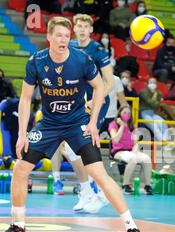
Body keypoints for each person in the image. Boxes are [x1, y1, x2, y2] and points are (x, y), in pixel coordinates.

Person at [0, 17, 143, 232]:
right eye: (59, 35)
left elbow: (99, 87)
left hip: (77, 123)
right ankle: (18, 227)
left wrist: (94, 123)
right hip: (49, 124)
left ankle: (132, 228)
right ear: (49, 37)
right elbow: (25, 98)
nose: (63, 40)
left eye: (67, 35)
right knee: (20, 168)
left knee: (99, 173)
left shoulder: (82, 59)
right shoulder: (36, 61)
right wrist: (22, 134)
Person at [50, 14, 115, 214]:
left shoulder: (97, 50)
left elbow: (109, 80)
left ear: (90, 30)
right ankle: (87, 191)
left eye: (86, 26)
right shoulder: (68, 47)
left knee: (82, 147)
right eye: (79, 26)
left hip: (95, 103)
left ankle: (101, 191)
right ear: (74, 29)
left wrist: (95, 99)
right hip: (74, 104)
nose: (82, 29)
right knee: (68, 149)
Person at [109, 106, 153, 195]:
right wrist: (121, 126)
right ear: (119, 113)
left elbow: (136, 142)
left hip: (131, 151)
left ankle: (147, 186)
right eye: (124, 112)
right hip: (118, 151)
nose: (127, 115)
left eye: (129, 113)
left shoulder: (132, 126)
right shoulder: (113, 124)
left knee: (147, 159)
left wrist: (134, 151)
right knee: (133, 158)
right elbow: (115, 140)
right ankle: (125, 185)